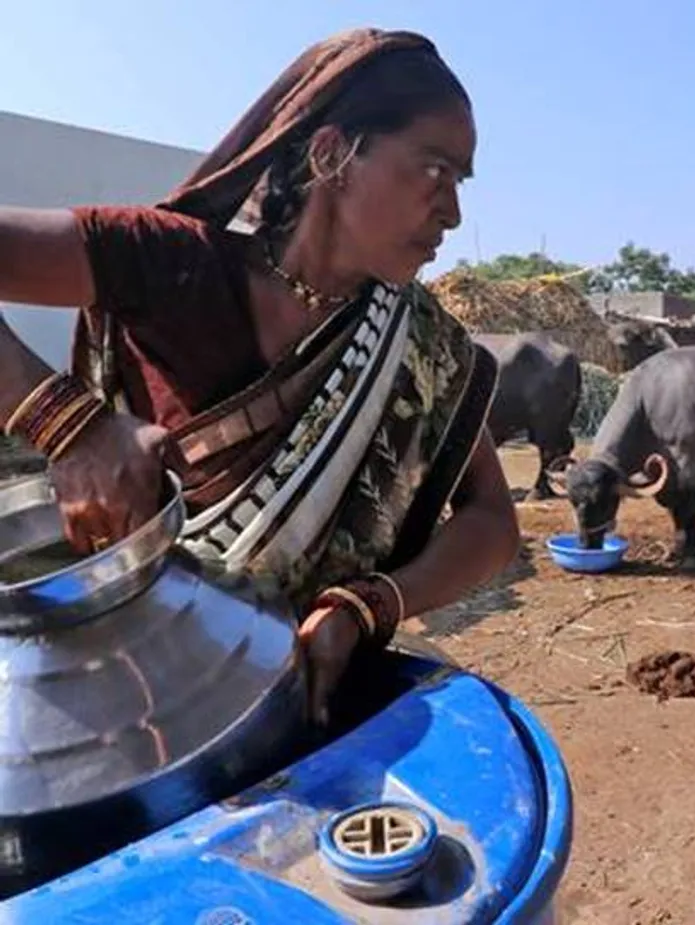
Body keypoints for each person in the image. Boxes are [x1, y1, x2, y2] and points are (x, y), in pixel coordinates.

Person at [0, 28, 520, 724]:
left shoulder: (421, 344)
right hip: (128, 706)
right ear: (334, 153)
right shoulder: (168, 262)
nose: (453, 212)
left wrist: (368, 602)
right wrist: (63, 423)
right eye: (436, 170)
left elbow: (492, 518)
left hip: (304, 704)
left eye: (461, 182)